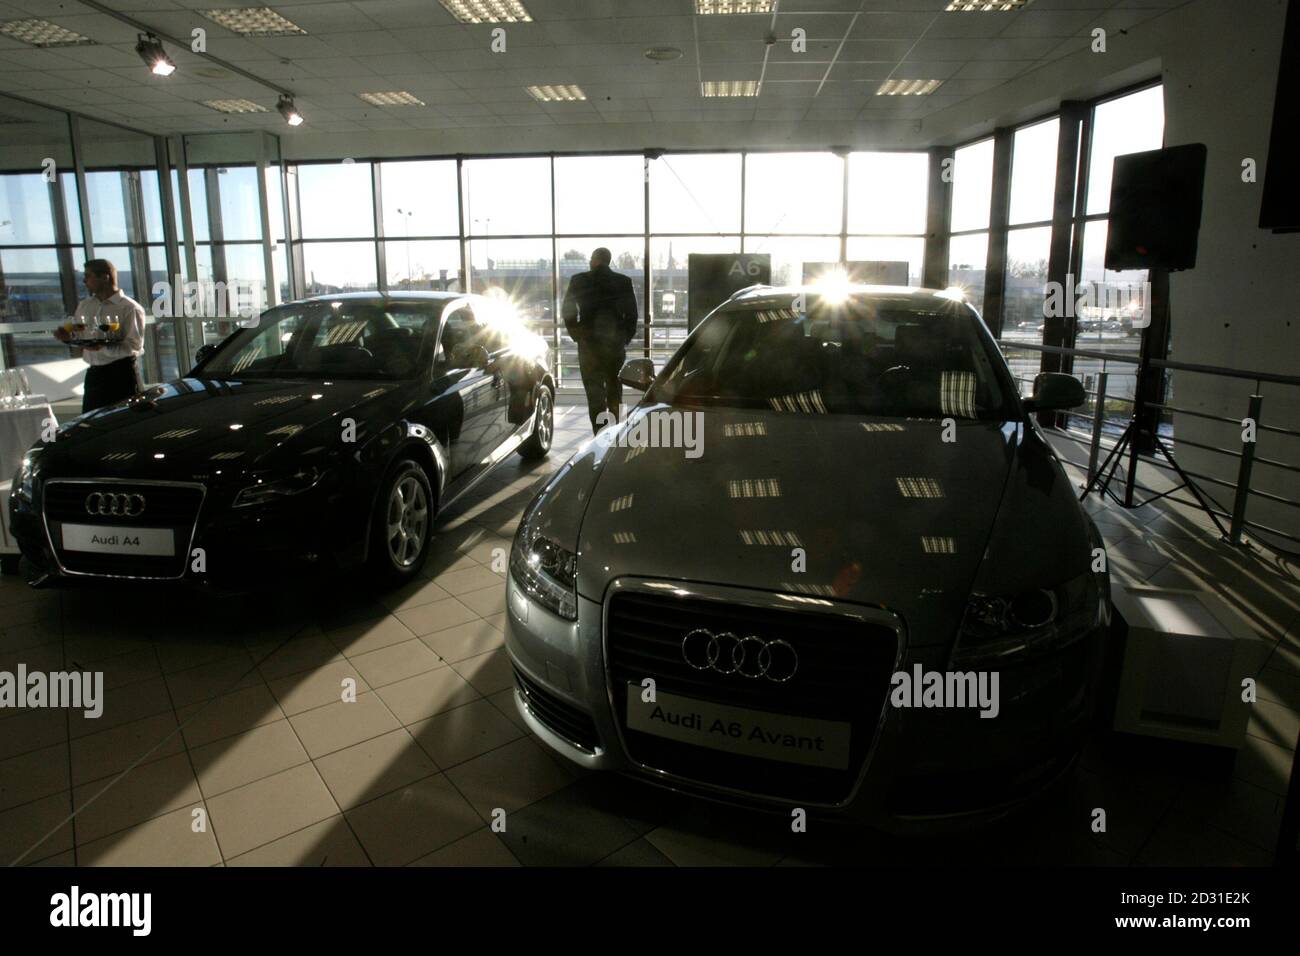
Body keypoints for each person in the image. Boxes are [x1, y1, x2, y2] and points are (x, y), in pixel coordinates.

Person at [562, 248, 639, 433]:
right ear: (608, 261)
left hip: (588, 344)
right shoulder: (623, 281)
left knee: (594, 391)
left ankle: (600, 433)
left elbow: (568, 311)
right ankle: (617, 431)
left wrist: (577, 335)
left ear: (595, 259)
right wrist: (625, 338)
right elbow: (632, 315)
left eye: (590, 258)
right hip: (614, 344)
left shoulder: (578, 280)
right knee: (614, 387)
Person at [54, 259, 145, 413]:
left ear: (105, 278)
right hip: (94, 375)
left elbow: (134, 346)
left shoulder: (129, 308)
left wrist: (101, 348)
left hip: (121, 375)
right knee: (90, 423)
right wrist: (68, 337)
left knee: (123, 424)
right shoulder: (85, 306)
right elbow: (79, 334)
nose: (84, 280)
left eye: (88, 276)